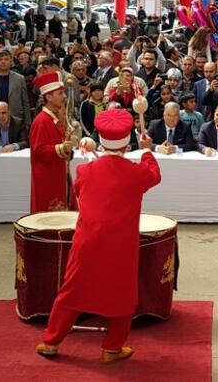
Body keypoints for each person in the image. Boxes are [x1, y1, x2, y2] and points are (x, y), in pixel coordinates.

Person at [35, 109, 161, 363]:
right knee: (122, 293)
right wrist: (148, 150)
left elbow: (78, 189)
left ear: (101, 141)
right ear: (128, 144)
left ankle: (51, 342)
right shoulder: (136, 173)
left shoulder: (86, 170)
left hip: (87, 240)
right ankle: (111, 348)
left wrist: (94, 159)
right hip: (121, 243)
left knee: (72, 289)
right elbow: (154, 175)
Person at [29, 72, 77, 213]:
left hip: (58, 172)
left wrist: (67, 148)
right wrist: (61, 148)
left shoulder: (54, 118)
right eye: (60, 93)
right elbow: (38, 150)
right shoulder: (42, 121)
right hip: (48, 177)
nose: (64, 97)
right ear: (48, 97)